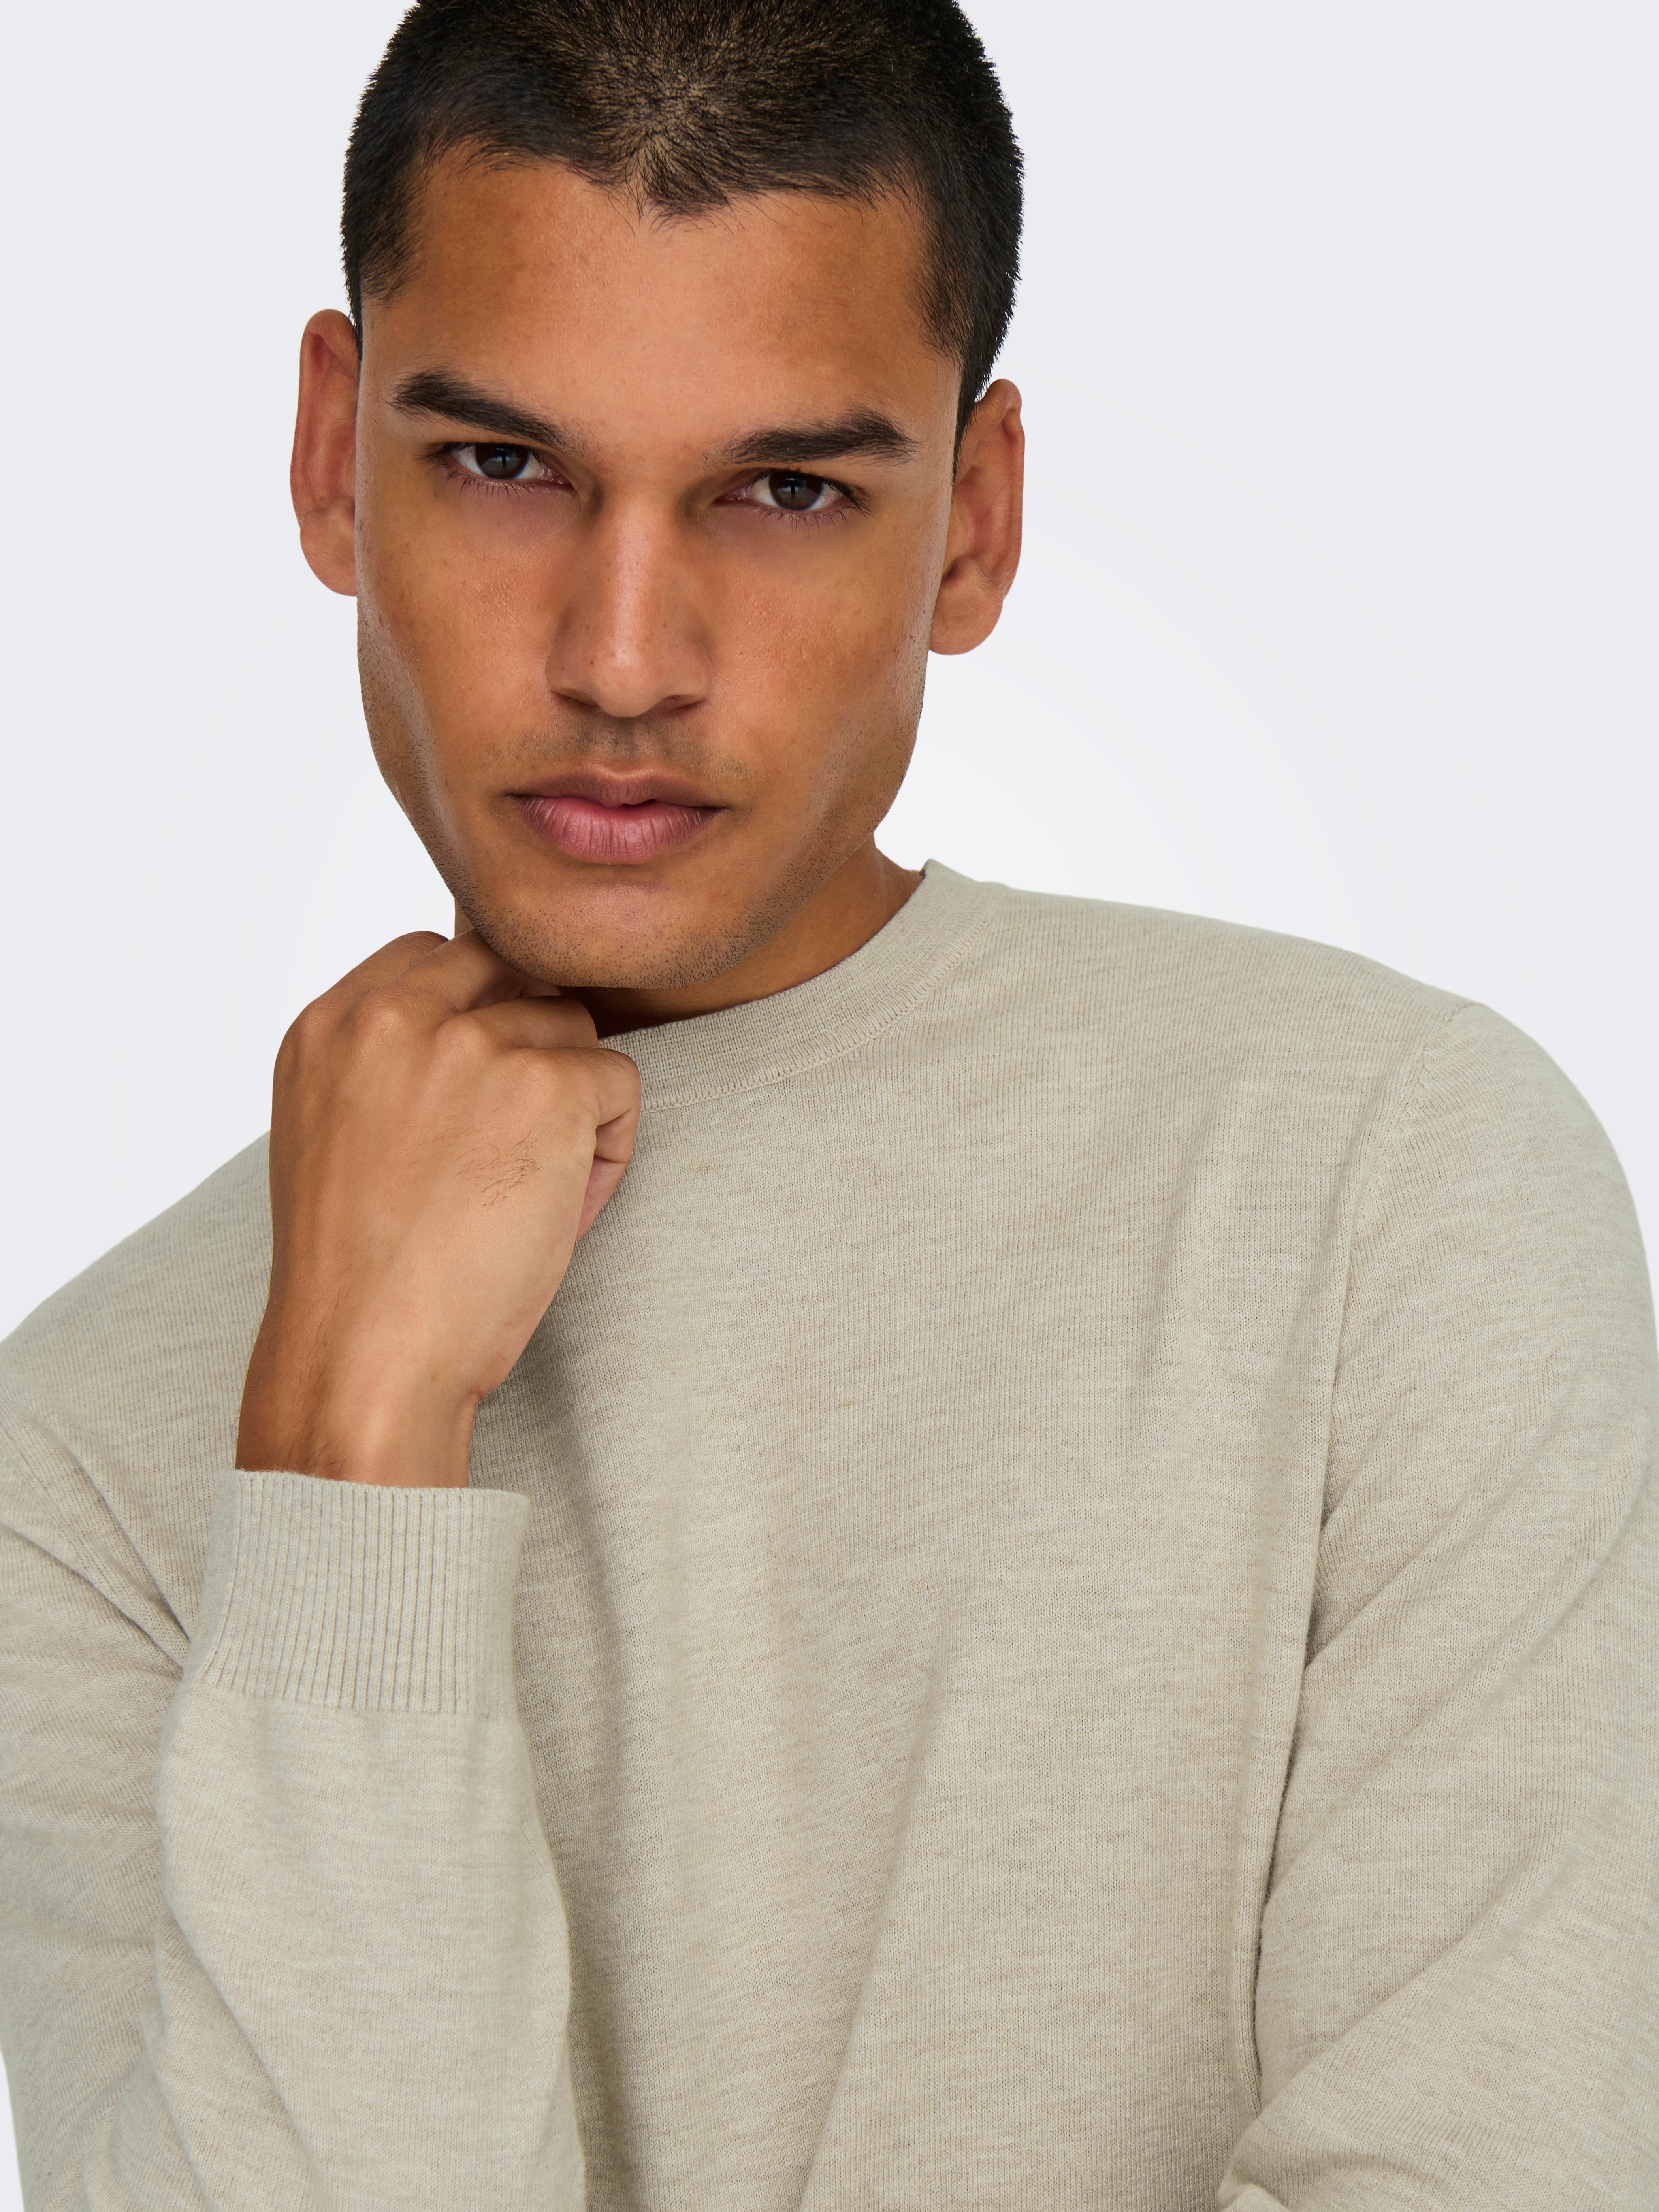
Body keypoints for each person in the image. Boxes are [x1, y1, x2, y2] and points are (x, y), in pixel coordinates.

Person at [1, 0, 1654, 2202]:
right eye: (504, 466)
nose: (622, 657)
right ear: (331, 455)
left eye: (782, 492)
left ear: (971, 527)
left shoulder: (1384, 1188)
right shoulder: (84, 1458)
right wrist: (352, 1445)